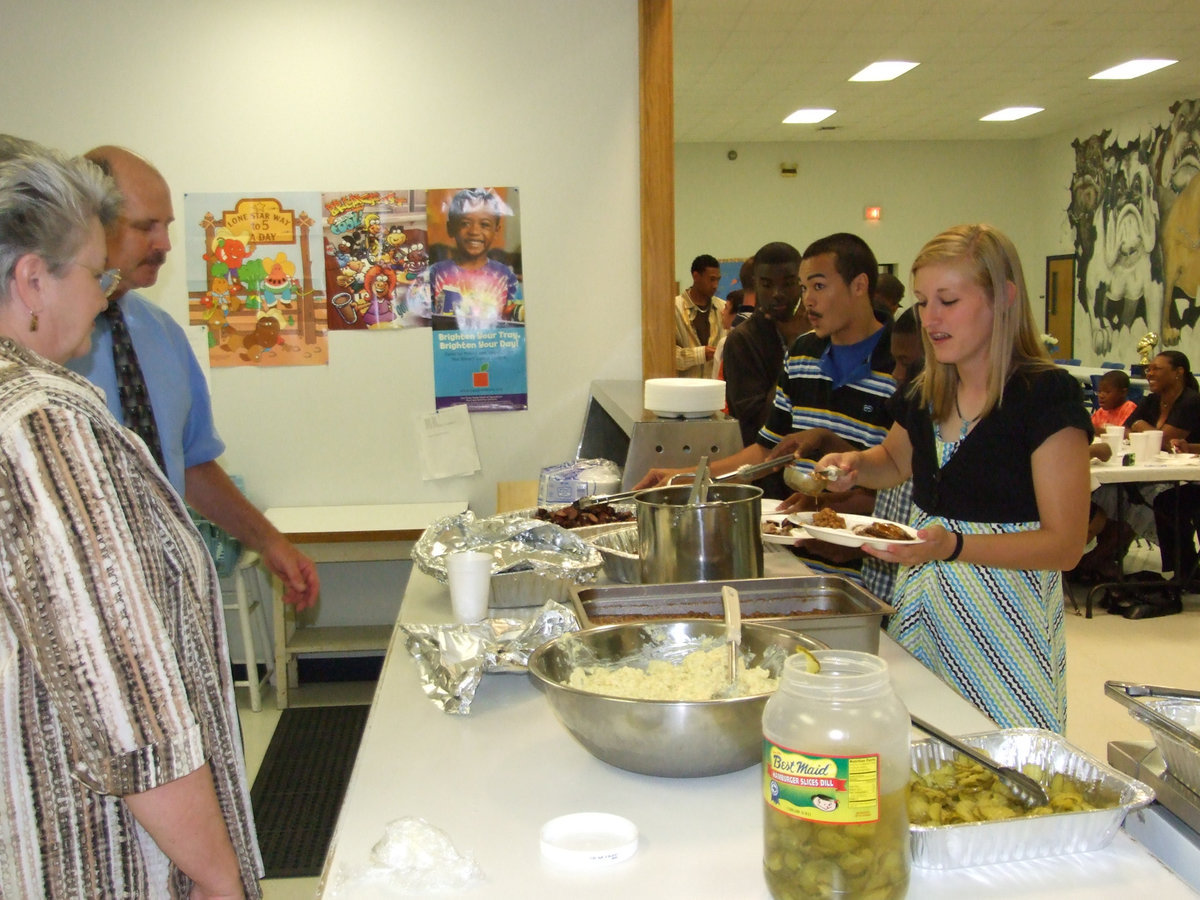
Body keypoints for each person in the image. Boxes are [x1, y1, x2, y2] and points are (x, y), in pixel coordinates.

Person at [0, 150, 261, 897]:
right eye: (92, 272)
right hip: (101, 851)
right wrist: (219, 877)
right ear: (32, 282)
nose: (105, 290)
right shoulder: (41, 422)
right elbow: (125, 705)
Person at [813, 224, 1091, 732]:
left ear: (1003, 297)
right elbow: (895, 462)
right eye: (922, 303)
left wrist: (953, 546)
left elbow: (1065, 543)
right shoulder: (929, 388)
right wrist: (854, 465)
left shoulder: (1044, 396)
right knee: (920, 748)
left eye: (948, 301)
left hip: (1005, 615)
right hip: (923, 603)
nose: (930, 319)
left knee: (1001, 757)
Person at [67, 146, 318, 611]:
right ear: (91, 223)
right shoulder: (44, 343)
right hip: (76, 598)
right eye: (146, 227)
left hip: (164, 587)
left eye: (167, 227)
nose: (164, 244)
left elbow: (191, 464)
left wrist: (268, 541)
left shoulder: (162, 334)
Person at [639, 233, 895, 582]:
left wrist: (832, 508)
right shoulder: (803, 353)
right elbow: (768, 450)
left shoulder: (902, 363)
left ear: (859, 285)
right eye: (804, 289)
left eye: (817, 286)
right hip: (803, 562)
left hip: (872, 570)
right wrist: (684, 477)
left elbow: (899, 482)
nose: (807, 301)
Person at [860, 307, 923, 602]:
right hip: (883, 586)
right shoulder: (913, 402)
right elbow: (892, 462)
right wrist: (851, 465)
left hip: (916, 590)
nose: (896, 373)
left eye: (906, 363)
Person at [721, 241, 811, 448]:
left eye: (788, 284)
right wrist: (795, 347)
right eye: (767, 284)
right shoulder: (743, 340)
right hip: (765, 465)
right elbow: (757, 424)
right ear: (756, 284)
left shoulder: (819, 332)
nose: (777, 293)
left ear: (801, 283)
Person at [1131, 351, 1200, 595]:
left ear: (1178, 372)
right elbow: (1127, 428)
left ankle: (1186, 570)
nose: (1149, 373)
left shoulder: (1191, 401)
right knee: (1156, 497)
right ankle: (1185, 569)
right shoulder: (1153, 400)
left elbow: (1165, 440)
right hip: (1178, 472)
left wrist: (1142, 428)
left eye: (1156, 368)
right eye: (1148, 368)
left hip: (1191, 477)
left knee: (1168, 499)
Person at [421, 187, 521, 330]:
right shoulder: (434, 275)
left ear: (496, 230)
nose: (474, 231)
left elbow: (516, 324)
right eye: (465, 223)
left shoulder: (507, 278)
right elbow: (423, 324)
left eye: (485, 224)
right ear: (451, 228)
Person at [674, 253, 725, 377]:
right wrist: (701, 354)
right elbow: (667, 357)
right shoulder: (673, 308)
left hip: (714, 389)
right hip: (684, 390)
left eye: (718, 280)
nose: (715, 285)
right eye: (711, 279)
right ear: (696, 276)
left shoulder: (723, 308)